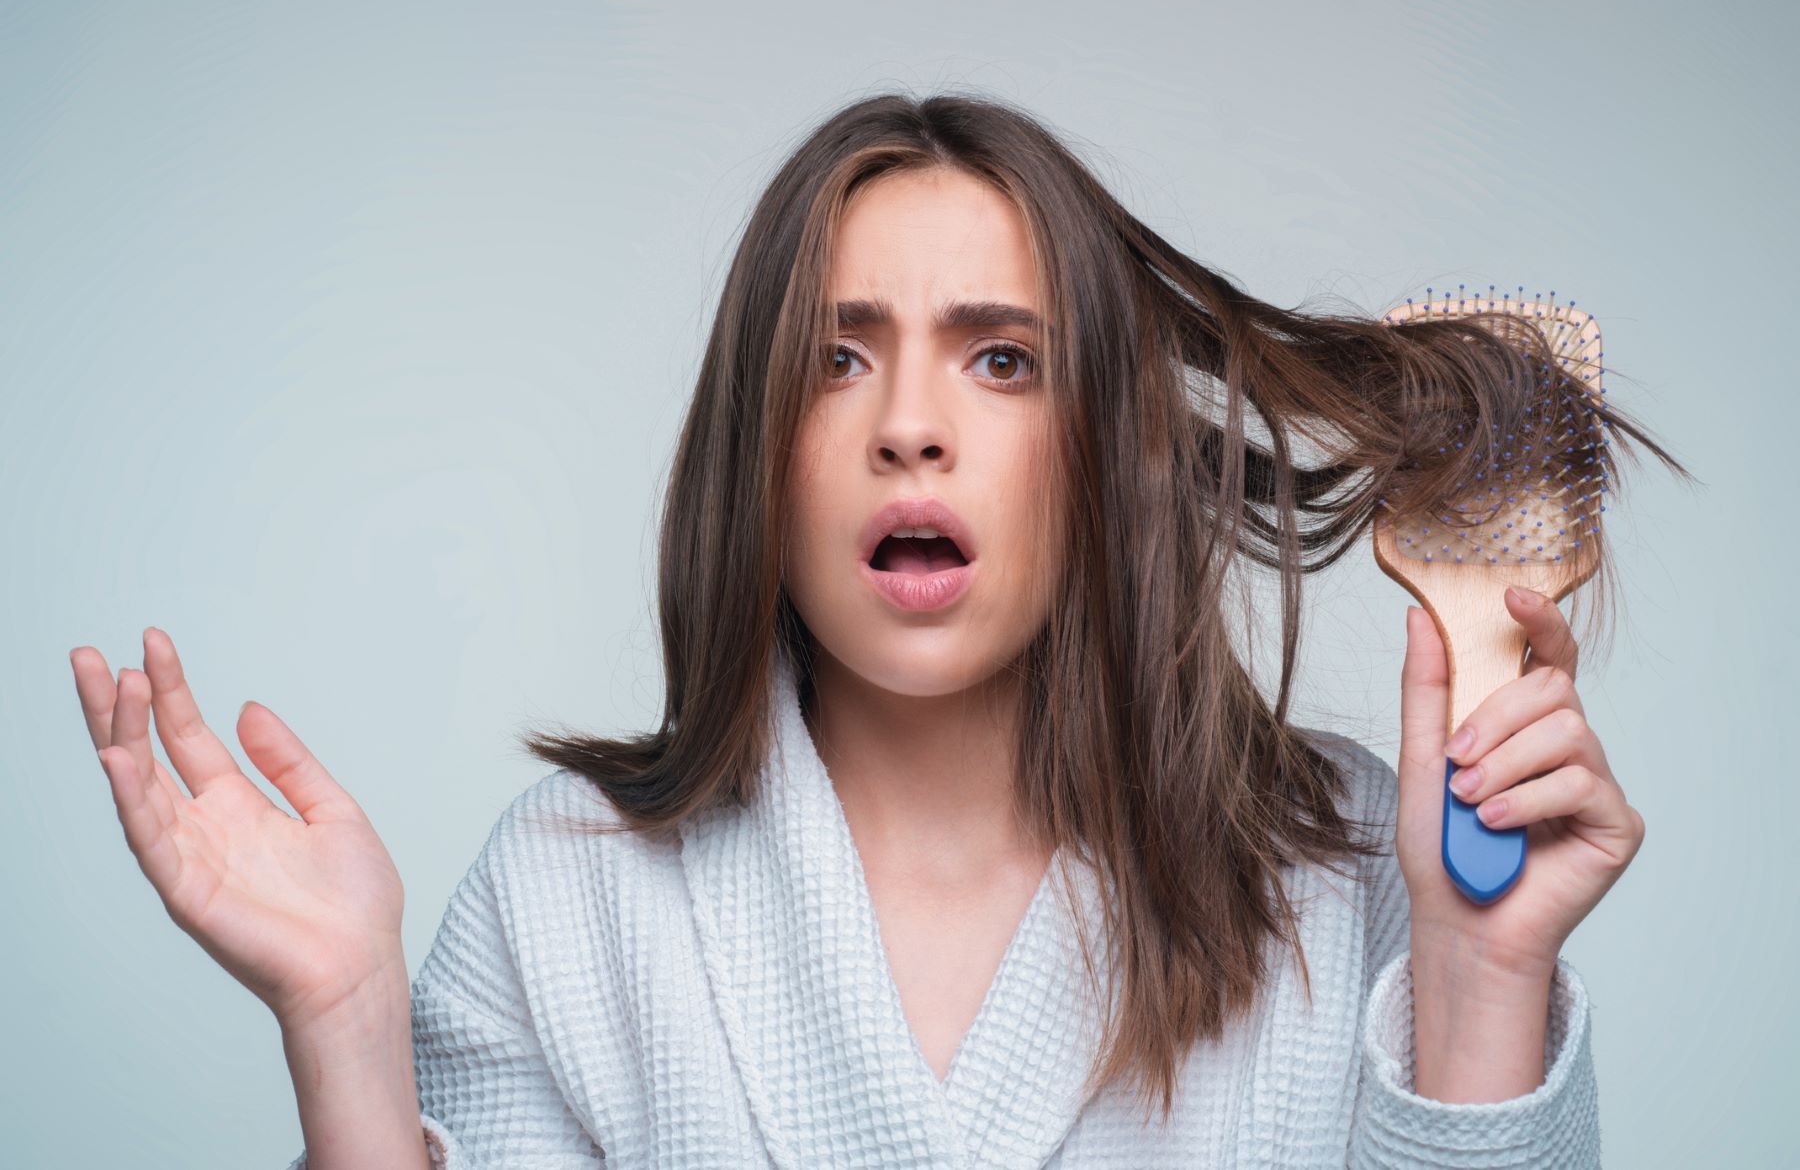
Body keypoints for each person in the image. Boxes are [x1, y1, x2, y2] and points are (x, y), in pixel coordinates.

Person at [73, 91, 1681, 1168]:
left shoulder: (1353, 875)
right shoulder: (567, 897)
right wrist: (349, 1033)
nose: (910, 424)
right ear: (753, 450)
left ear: (1112, 440)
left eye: (1001, 360)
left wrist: (1479, 971)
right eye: (838, 361)